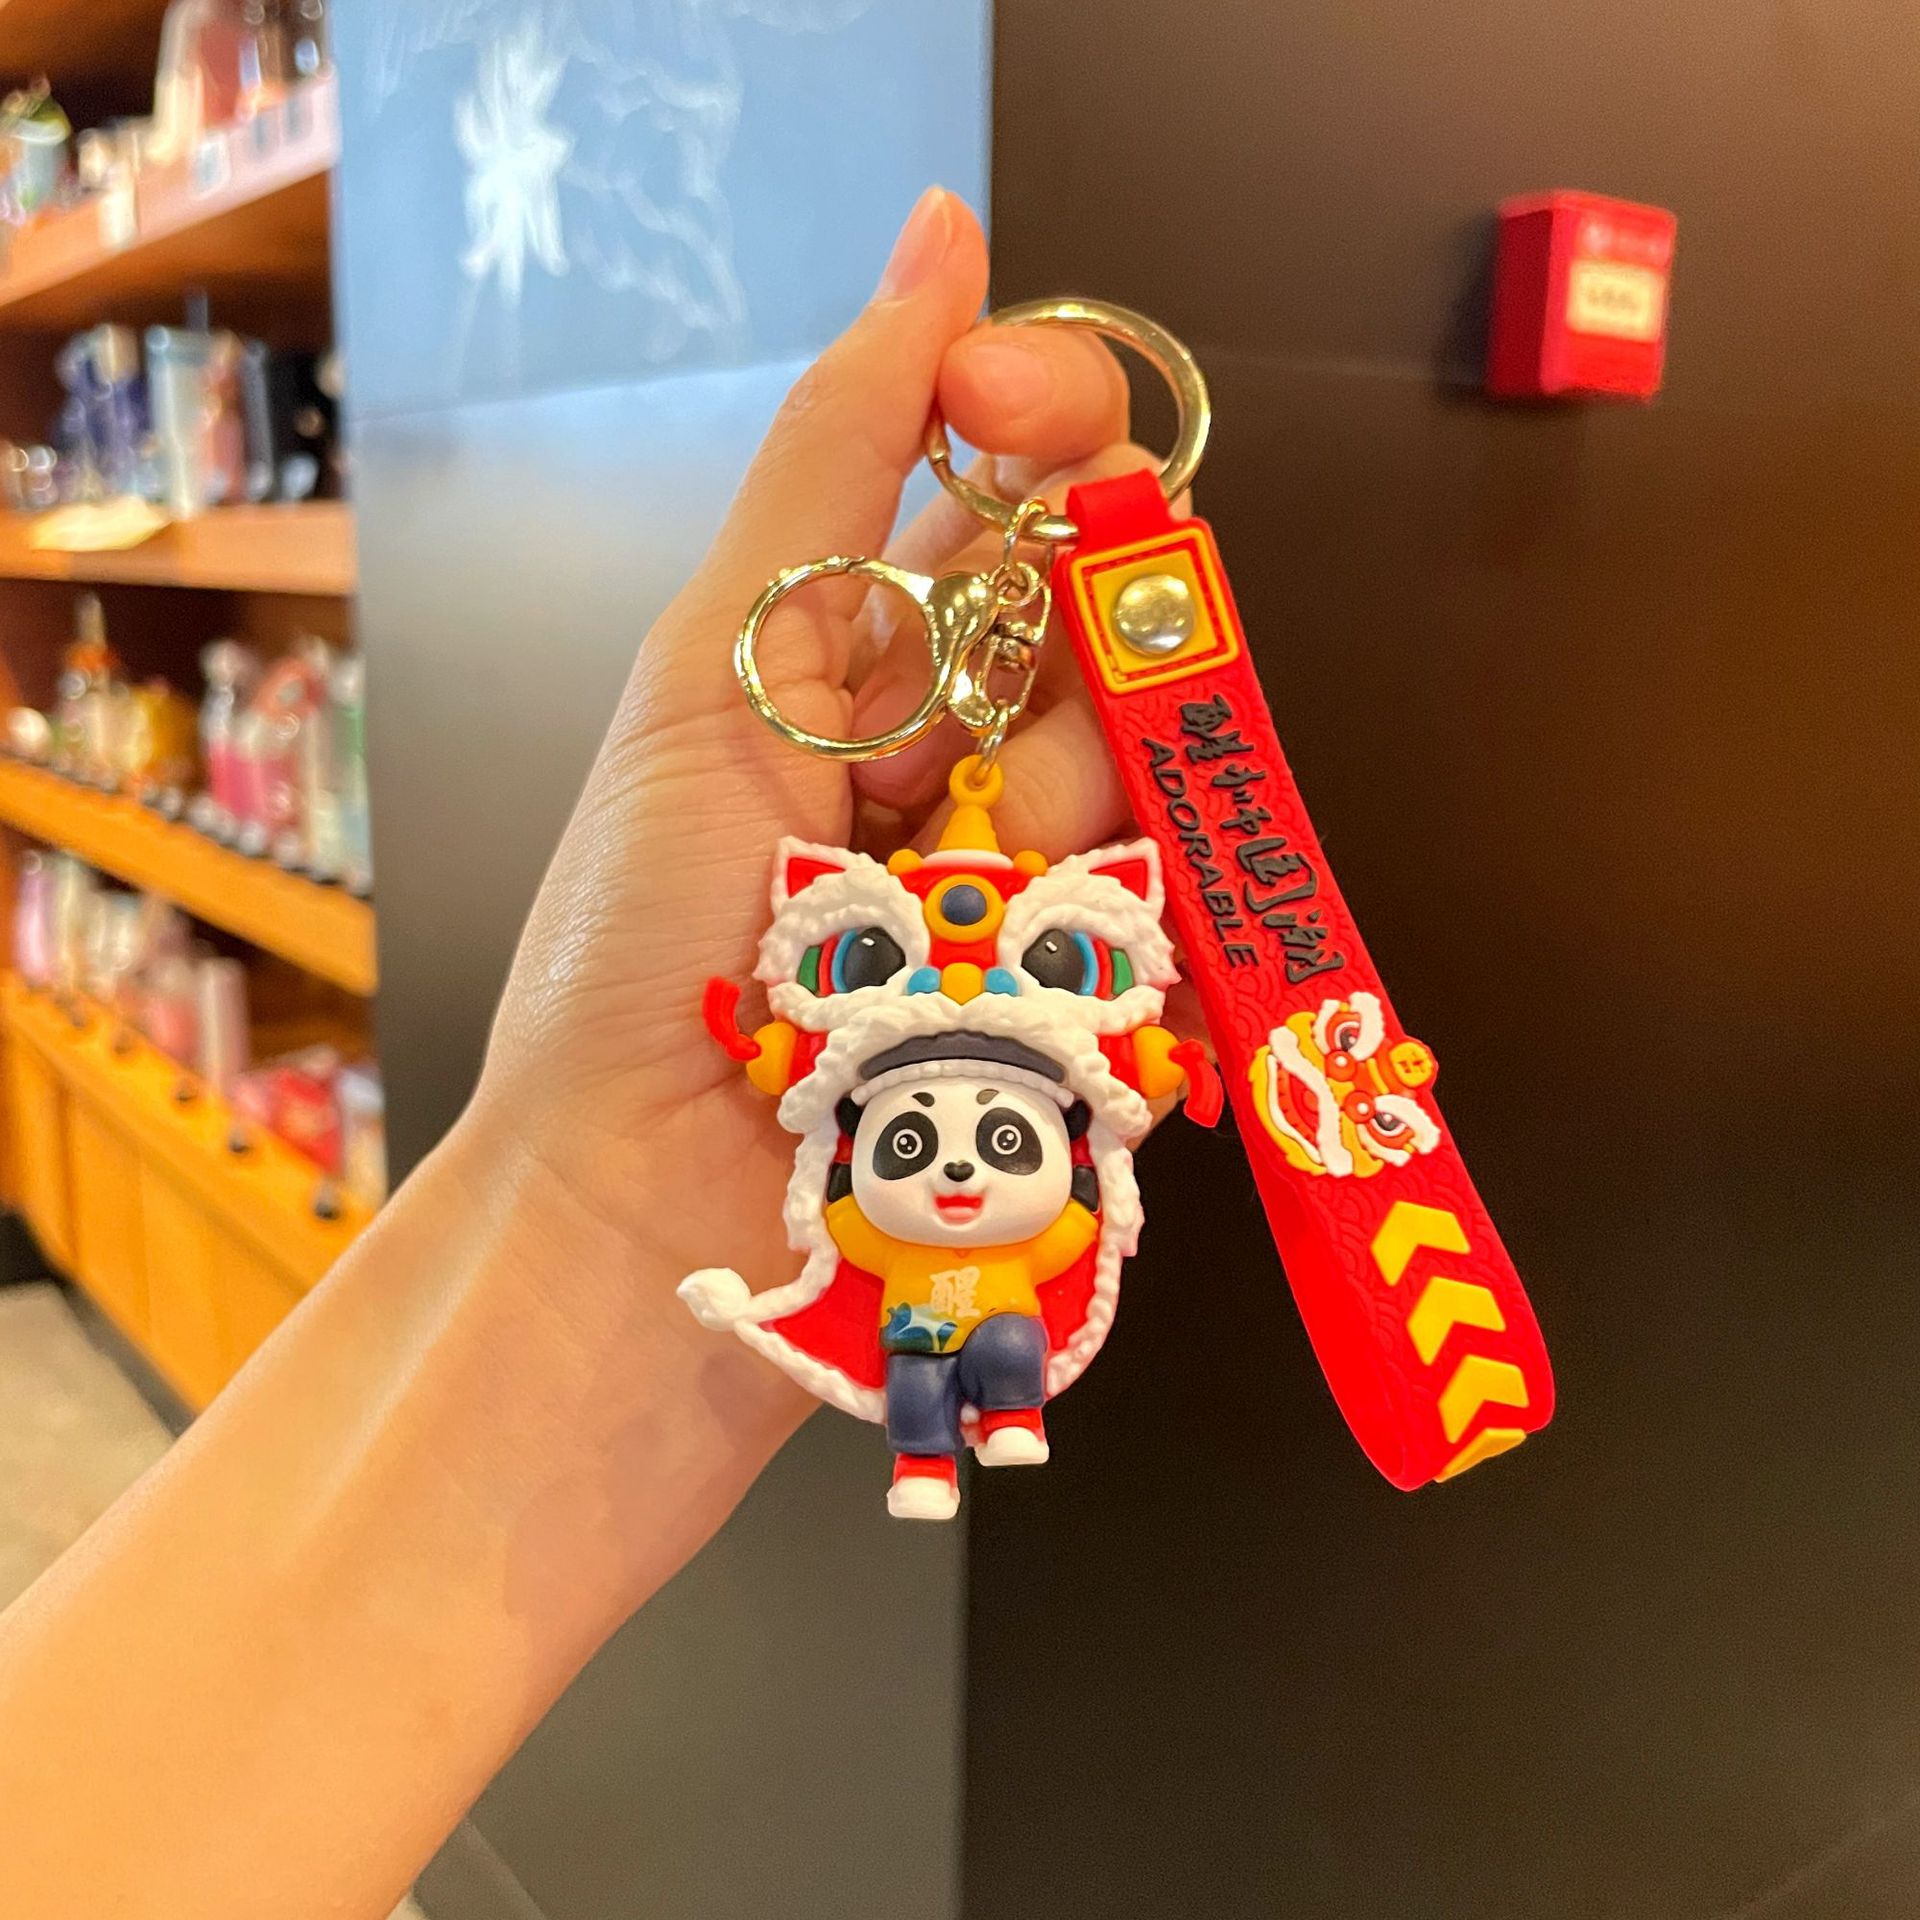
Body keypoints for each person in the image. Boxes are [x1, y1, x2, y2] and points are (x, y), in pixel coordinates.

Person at [0, 189, 1180, 1917]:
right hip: (893, 1216)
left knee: (975, 1352)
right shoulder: (842, 1077)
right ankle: (944, 1431)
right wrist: (596, 1210)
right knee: (946, 1373)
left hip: (952, 1231)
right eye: (929, 1139)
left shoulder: (1006, 1138)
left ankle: (959, 1423)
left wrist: (594, 1234)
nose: (949, 1167)